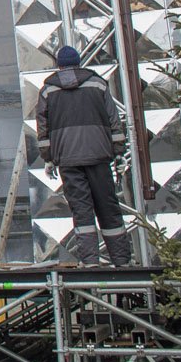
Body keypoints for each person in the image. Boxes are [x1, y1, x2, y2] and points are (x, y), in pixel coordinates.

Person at [36, 45, 132, 266]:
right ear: (79, 62)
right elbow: (113, 121)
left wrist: (48, 158)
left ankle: (90, 263)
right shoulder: (98, 84)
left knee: (82, 211)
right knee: (108, 209)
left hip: (68, 160)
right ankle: (122, 262)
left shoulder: (48, 91)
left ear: (58, 65)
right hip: (99, 156)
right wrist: (118, 153)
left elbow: (43, 129)